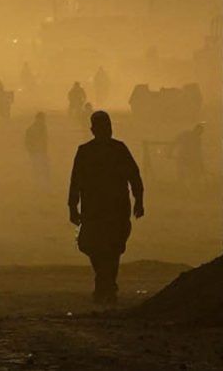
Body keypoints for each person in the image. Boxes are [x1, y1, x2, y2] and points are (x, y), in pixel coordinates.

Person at [67, 110, 144, 304]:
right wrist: (138, 200)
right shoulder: (114, 149)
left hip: (104, 209)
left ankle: (105, 283)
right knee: (107, 247)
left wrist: (73, 207)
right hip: (105, 209)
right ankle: (106, 283)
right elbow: (134, 176)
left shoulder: (90, 151)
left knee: (105, 247)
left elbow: (133, 176)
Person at [23, 111, 52, 188]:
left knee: (43, 168)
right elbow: (27, 142)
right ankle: (39, 185)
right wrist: (32, 150)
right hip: (36, 152)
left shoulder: (43, 127)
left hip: (41, 151)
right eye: (42, 119)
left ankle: (43, 184)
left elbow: (45, 140)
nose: (43, 120)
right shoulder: (32, 129)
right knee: (38, 168)